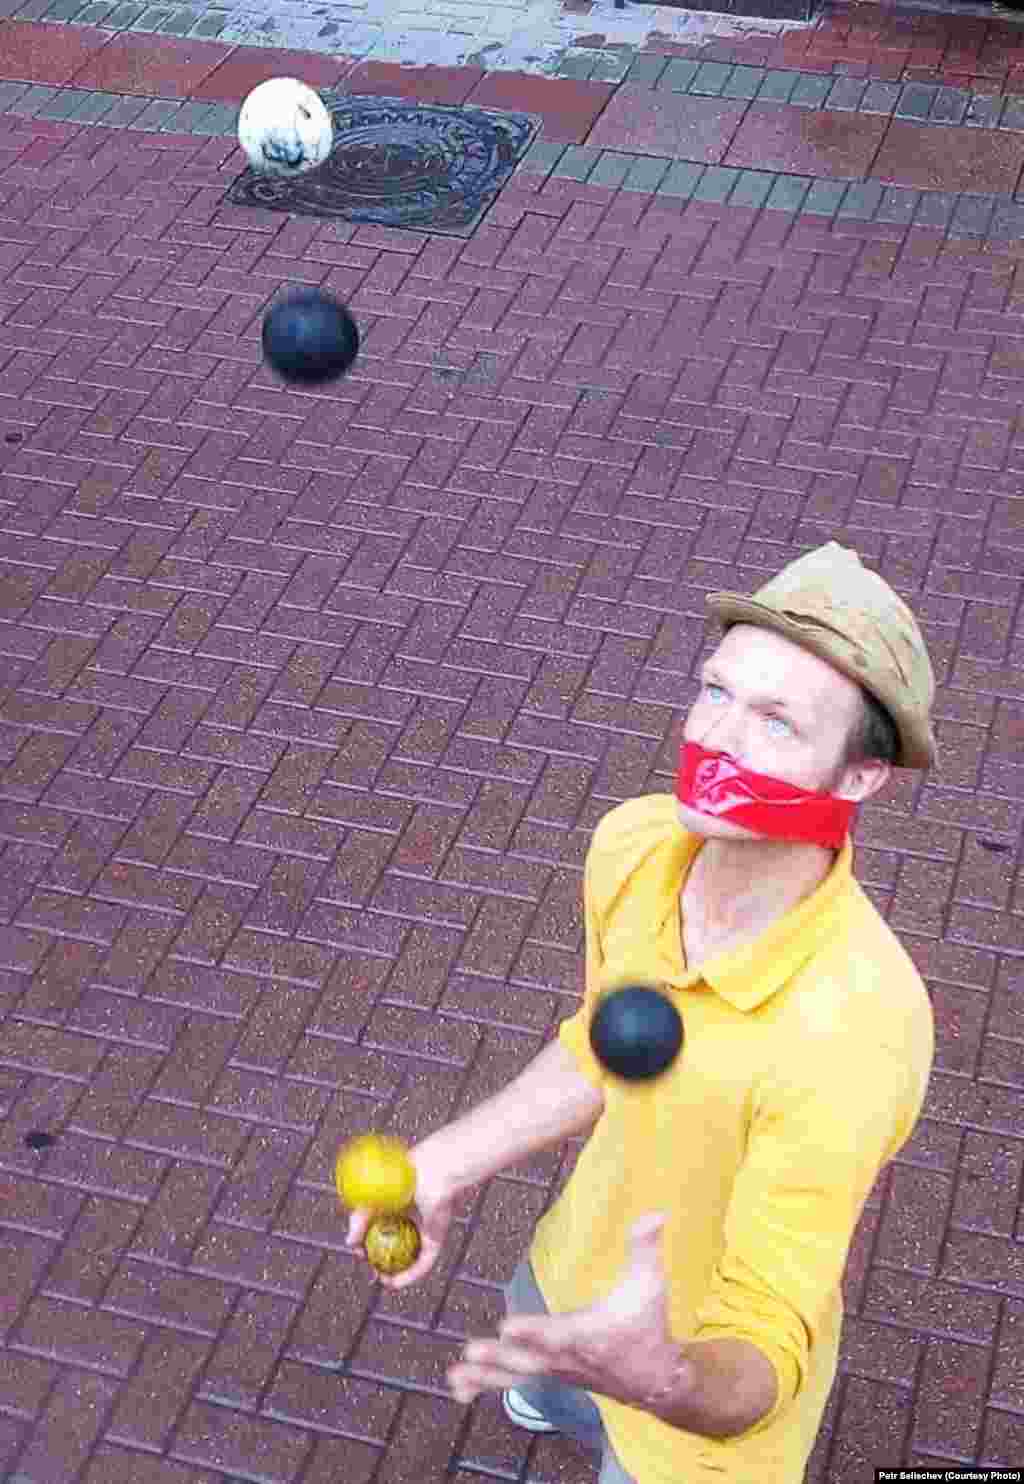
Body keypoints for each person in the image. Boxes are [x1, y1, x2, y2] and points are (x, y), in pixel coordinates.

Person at [345, 541, 937, 1484]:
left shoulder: (860, 1029)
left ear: (859, 778)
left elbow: (765, 1334)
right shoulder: (636, 843)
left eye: (777, 721)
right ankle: (557, 1396)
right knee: (550, 1380)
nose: (719, 738)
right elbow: (602, 1044)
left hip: (694, 1419)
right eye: (716, 691)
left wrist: (658, 1376)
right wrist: (448, 1161)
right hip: (569, 1275)